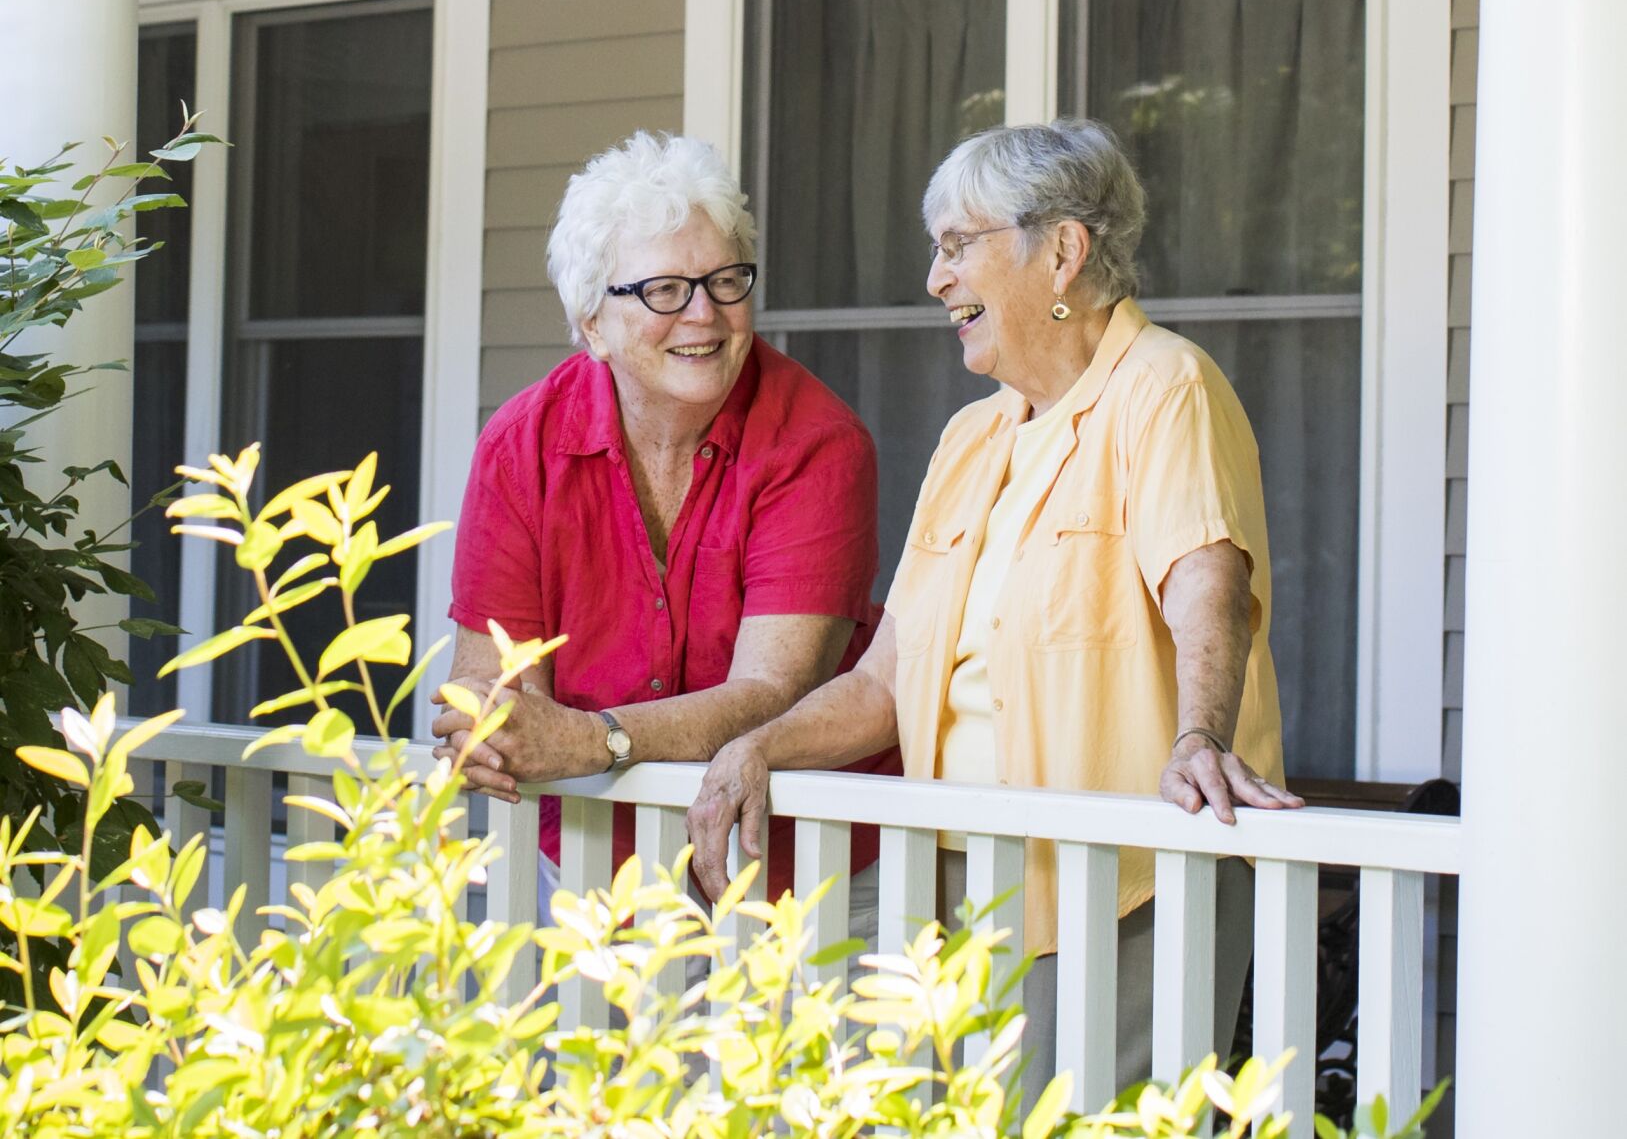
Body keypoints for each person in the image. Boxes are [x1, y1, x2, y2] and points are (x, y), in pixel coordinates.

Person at [686, 118, 1302, 1104]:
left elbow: (1207, 582)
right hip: (968, 888)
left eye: (957, 244)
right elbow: (885, 681)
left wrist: (1199, 735)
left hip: (1127, 888)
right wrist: (759, 745)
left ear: (1062, 250)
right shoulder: (973, 439)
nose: (935, 279)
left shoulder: (1164, 389)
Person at [435, 130, 898, 914]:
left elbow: (770, 690)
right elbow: (497, 688)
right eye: (663, 290)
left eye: (725, 280)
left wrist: (590, 740)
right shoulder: (521, 448)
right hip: (592, 860)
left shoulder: (817, 440)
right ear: (591, 323)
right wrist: (493, 727)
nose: (704, 314)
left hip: (797, 865)